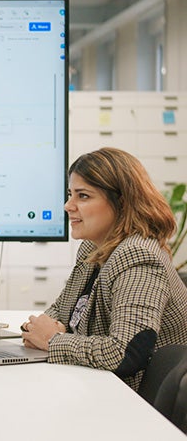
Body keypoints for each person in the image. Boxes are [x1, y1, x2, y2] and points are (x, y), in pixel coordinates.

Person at [21, 147, 187, 390]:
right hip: (95, 383)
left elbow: (124, 353)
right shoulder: (94, 246)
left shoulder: (138, 256)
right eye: (70, 194)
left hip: (132, 400)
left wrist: (53, 340)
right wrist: (38, 329)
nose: (68, 206)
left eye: (83, 196)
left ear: (121, 202)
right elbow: (62, 310)